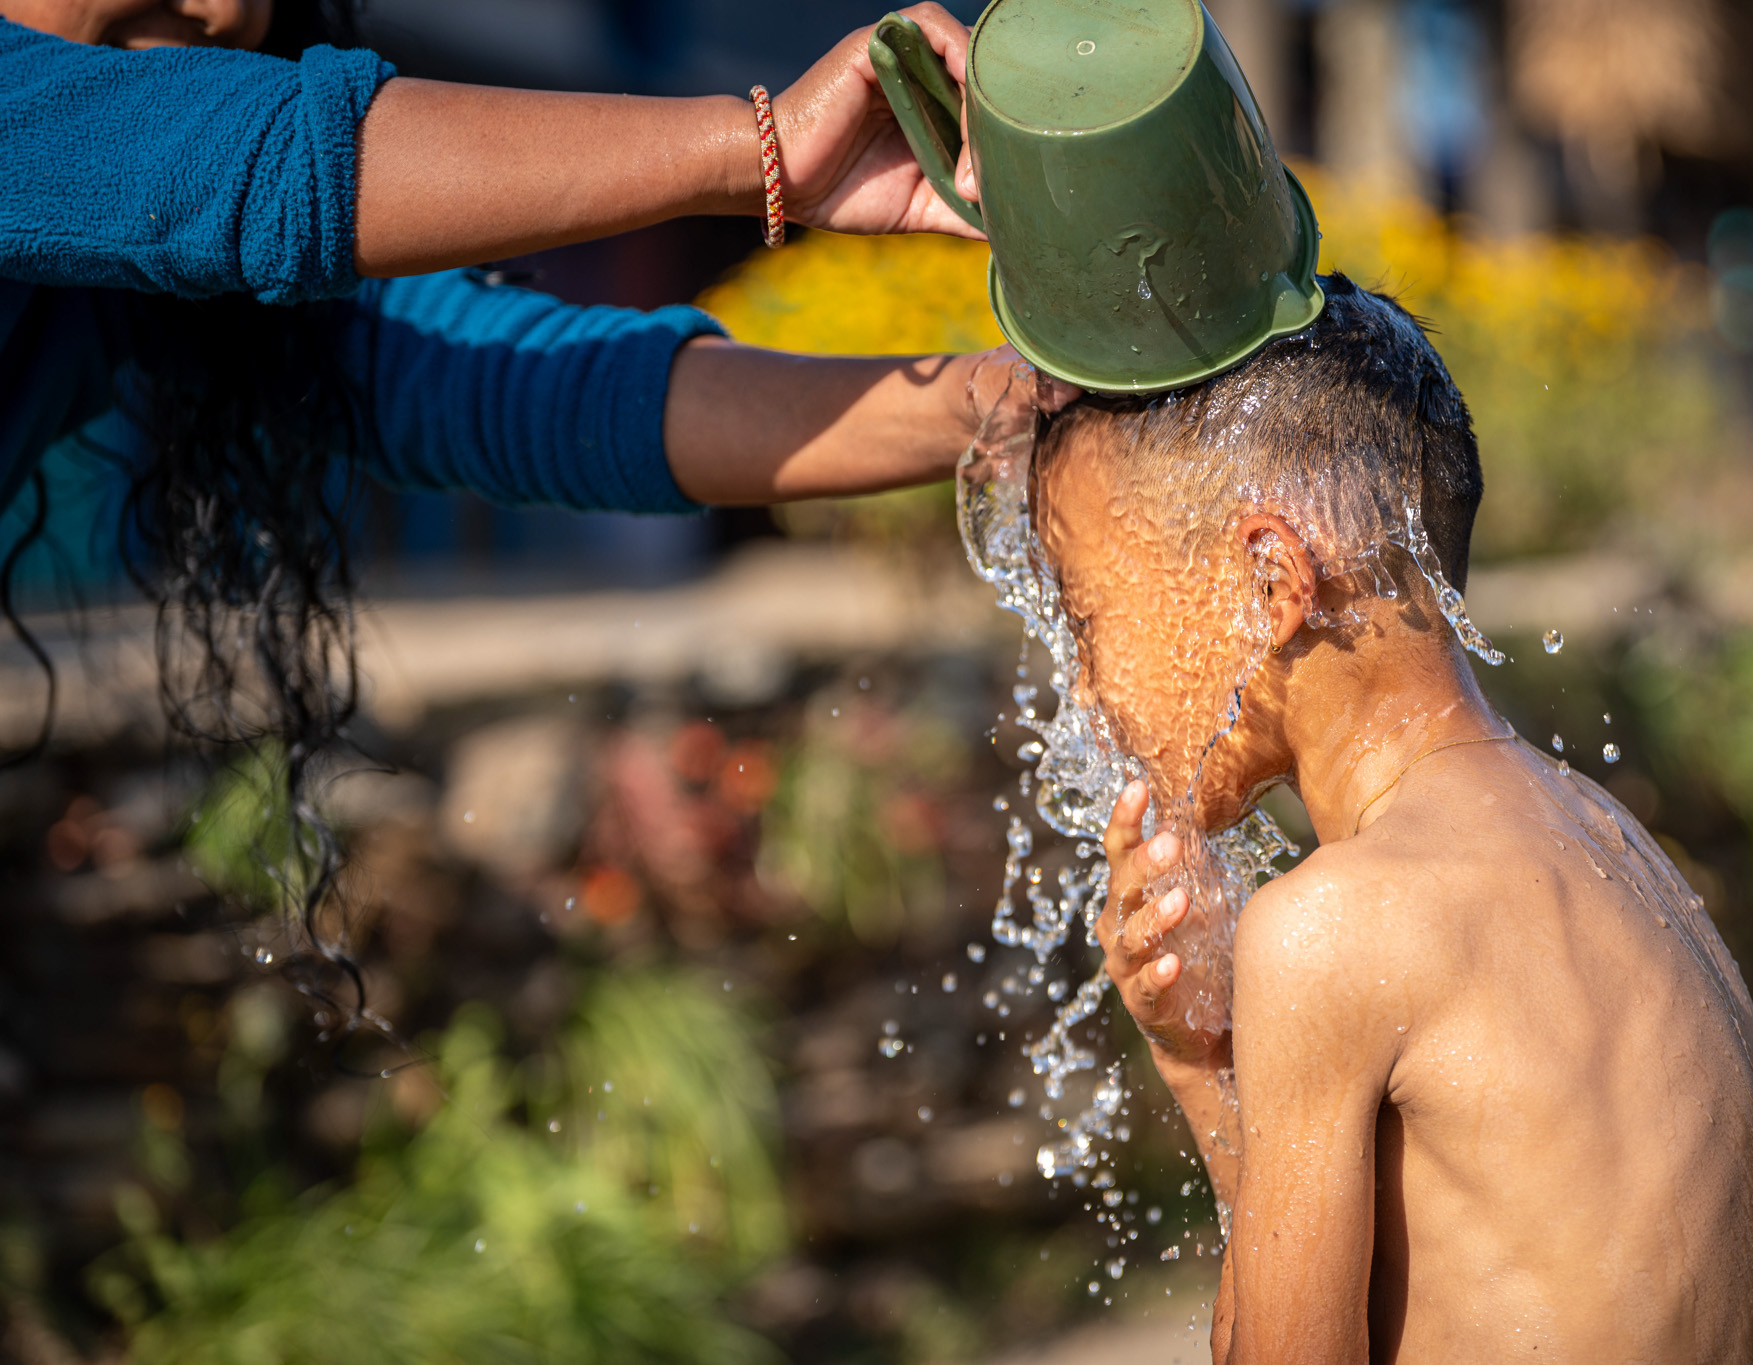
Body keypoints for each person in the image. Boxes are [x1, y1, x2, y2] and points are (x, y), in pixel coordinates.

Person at [0, 0, 1059, 948]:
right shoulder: (123, 148)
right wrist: (765, 147)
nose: (226, 9)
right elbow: (241, 159)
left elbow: (520, 386)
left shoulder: (123, 274)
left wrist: (1005, 404)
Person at [1033, 276, 1753, 1362]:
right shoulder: (1612, 840)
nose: (1081, 687)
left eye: (1088, 619)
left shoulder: (1333, 928)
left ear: (1269, 583)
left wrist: (1202, 1073)